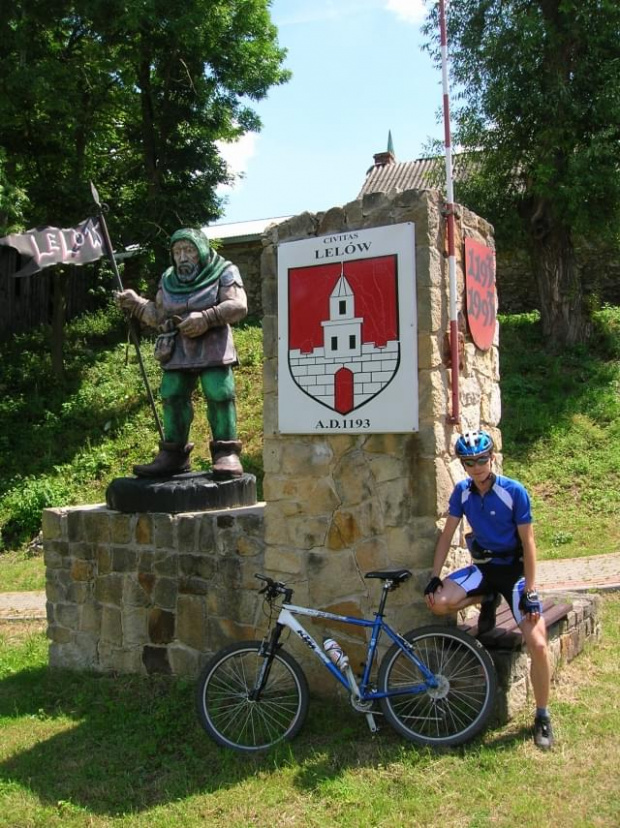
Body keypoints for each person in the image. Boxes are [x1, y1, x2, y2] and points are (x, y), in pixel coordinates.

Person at [424, 429, 554, 750]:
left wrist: (531, 589)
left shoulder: (514, 491)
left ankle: (542, 715)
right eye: (469, 462)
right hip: (483, 569)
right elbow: (447, 535)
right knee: (437, 602)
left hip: (514, 572)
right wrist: (434, 575)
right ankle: (487, 597)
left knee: (537, 643)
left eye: (482, 459)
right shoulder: (463, 493)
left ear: (491, 457)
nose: (477, 466)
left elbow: (529, 541)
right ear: (463, 465)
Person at [116, 228, 247, 479]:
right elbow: (160, 317)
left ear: (201, 251)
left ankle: (226, 452)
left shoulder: (224, 270)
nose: (182, 257)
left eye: (188, 250)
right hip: (178, 349)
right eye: (177, 252)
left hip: (214, 347)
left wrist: (208, 317)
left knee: (219, 392)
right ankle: (173, 454)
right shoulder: (168, 279)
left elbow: (238, 305)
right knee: (172, 394)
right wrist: (137, 304)